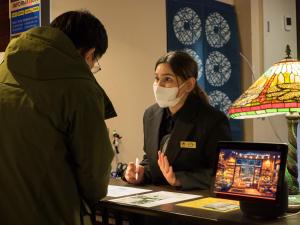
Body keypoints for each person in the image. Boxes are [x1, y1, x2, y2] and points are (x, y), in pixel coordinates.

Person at [0, 10, 115, 225]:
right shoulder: (80, 88)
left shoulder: (5, 70)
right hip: (52, 214)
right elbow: (95, 179)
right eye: (94, 63)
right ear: (89, 54)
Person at [124, 51, 232, 190]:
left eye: (167, 79)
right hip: (157, 200)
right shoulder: (150, 115)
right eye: (157, 79)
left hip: (194, 203)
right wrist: (141, 172)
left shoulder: (213, 120)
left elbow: (223, 174)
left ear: (189, 85)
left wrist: (179, 179)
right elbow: (152, 161)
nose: (159, 85)